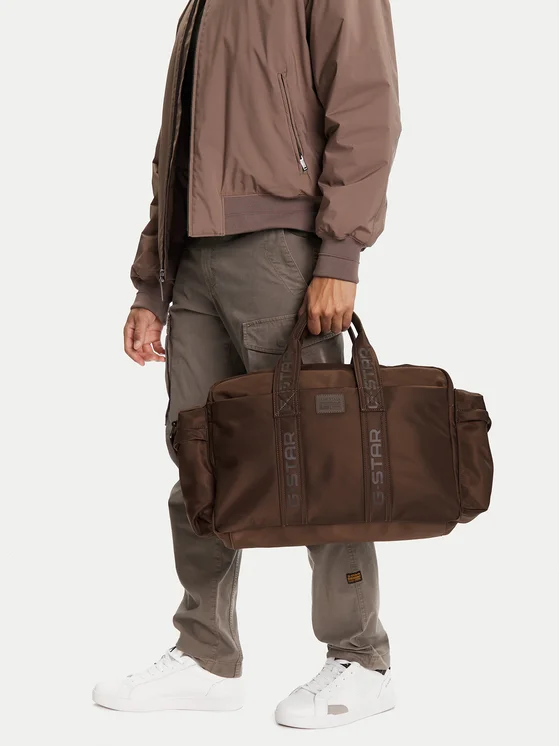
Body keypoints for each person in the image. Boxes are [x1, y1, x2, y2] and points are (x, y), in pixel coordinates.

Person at [93, 0, 401, 729]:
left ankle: (361, 657)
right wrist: (151, 283)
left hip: (283, 253)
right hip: (193, 260)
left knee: (322, 458)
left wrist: (340, 255)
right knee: (199, 461)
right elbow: (176, 150)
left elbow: (367, 104)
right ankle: (206, 653)